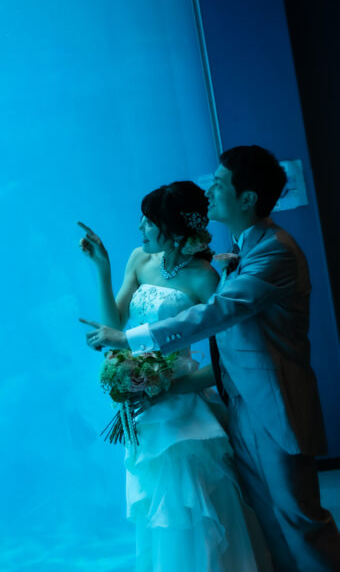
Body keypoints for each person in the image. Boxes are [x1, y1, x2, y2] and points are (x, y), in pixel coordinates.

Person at [83, 145, 340, 571]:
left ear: (247, 198)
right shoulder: (241, 252)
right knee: (267, 518)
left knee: (298, 518)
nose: (210, 191)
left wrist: (131, 342)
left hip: (271, 404)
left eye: (219, 183)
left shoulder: (272, 252)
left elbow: (216, 314)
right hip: (236, 403)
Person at [78, 180, 269, 571]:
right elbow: (113, 331)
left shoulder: (204, 279)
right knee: (157, 512)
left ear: (175, 228)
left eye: (149, 222)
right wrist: (103, 268)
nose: (141, 230)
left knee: (193, 505)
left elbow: (226, 360)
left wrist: (169, 386)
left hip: (183, 407)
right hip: (146, 411)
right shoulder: (139, 260)